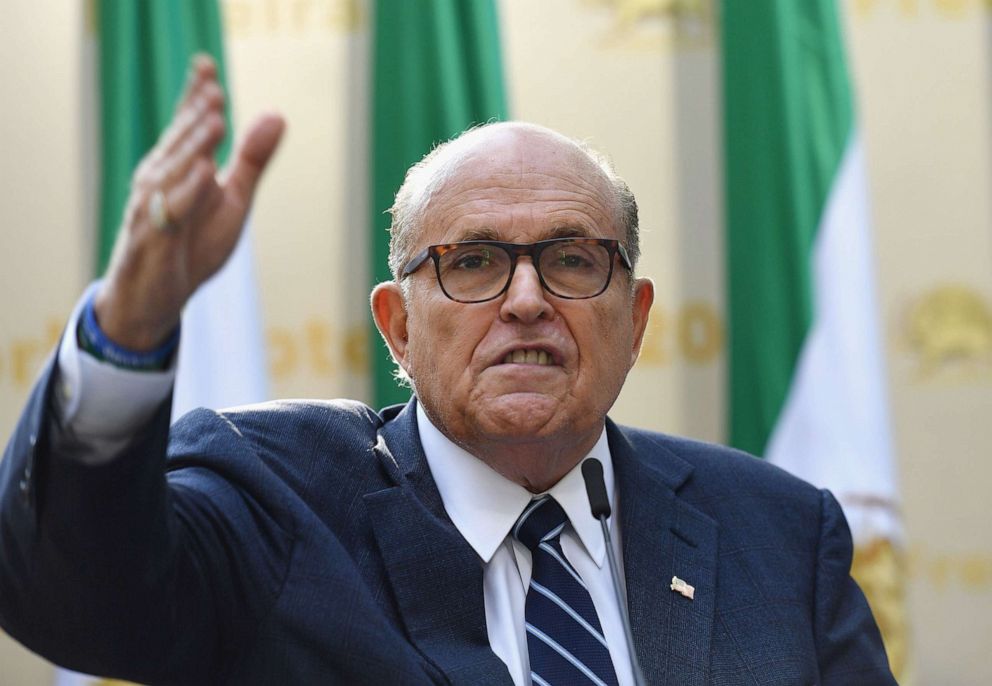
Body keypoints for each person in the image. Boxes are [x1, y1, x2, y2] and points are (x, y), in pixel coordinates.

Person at [0, 56, 895, 685]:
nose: (526, 300)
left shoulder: (777, 536)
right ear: (396, 325)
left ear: (637, 319)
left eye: (573, 260)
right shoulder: (275, 498)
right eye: (472, 263)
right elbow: (71, 597)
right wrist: (129, 325)